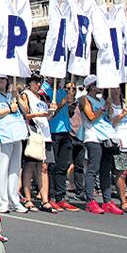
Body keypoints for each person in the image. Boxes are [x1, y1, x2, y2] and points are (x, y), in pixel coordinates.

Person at [0, 74, 28, 213]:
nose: (1, 81)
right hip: (1, 135)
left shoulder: (11, 95)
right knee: (1, 167)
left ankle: (14, 199)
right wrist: (9, 109)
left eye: (3, 79)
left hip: (17, 134)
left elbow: (26, 110)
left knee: (15, 168)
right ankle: (1, 200)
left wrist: (17, 96)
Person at [78, 76, 117, 215]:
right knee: (93, 169)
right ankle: (90, 200)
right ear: (91, 86)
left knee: (106, 170)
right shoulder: (84, 99)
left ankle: (107, 201)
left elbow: (108, 119)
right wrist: (104, 108)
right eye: (97, 84)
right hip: (93, 136)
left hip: (105, 137)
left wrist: (109, 108)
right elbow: (91, 117)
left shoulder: (102, 100)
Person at [19, 74, 56, 212]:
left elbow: (47, 117)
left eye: (39, 82)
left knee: (44, 167)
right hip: (34, 133)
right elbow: (25, 115)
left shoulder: (42, 97)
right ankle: (28, 198)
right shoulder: (26, 95)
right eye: (35, 82)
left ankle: (45, 200)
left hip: (45, 134)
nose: (38, 85)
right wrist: (40, 114)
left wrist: (50, 112)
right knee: (29, 166)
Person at [41, 80, 79, 211]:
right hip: (53, 131)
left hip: (66, 131)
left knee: (63, 166)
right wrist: (62, 103)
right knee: (52, 166)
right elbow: (48, 115)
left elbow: (70, 113)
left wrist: (71, 103)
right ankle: (50, 196)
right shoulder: (45, 91)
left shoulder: (63, 91)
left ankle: (61, 196)